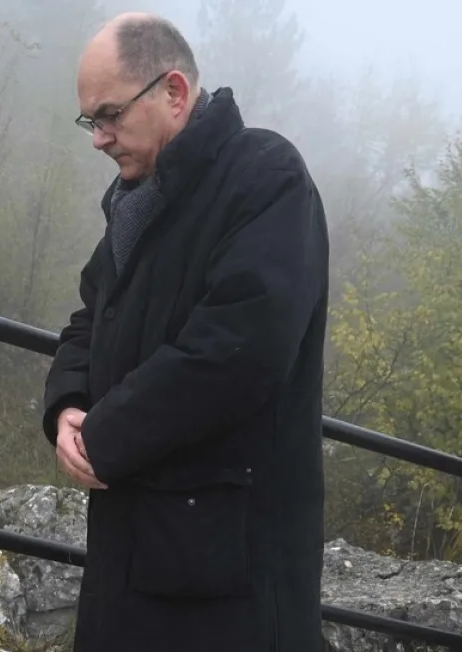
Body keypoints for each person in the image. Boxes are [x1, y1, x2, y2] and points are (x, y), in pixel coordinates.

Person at [42, 12, 329, 652]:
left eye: (110, 114)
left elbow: (237, 350)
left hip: (225, 573)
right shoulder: (139, 198)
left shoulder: (265, 175)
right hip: (134, 547)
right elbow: (92, 315)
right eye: (92, 120)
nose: (100, 138)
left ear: (173, 92)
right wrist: (67, 405)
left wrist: (103, 436)